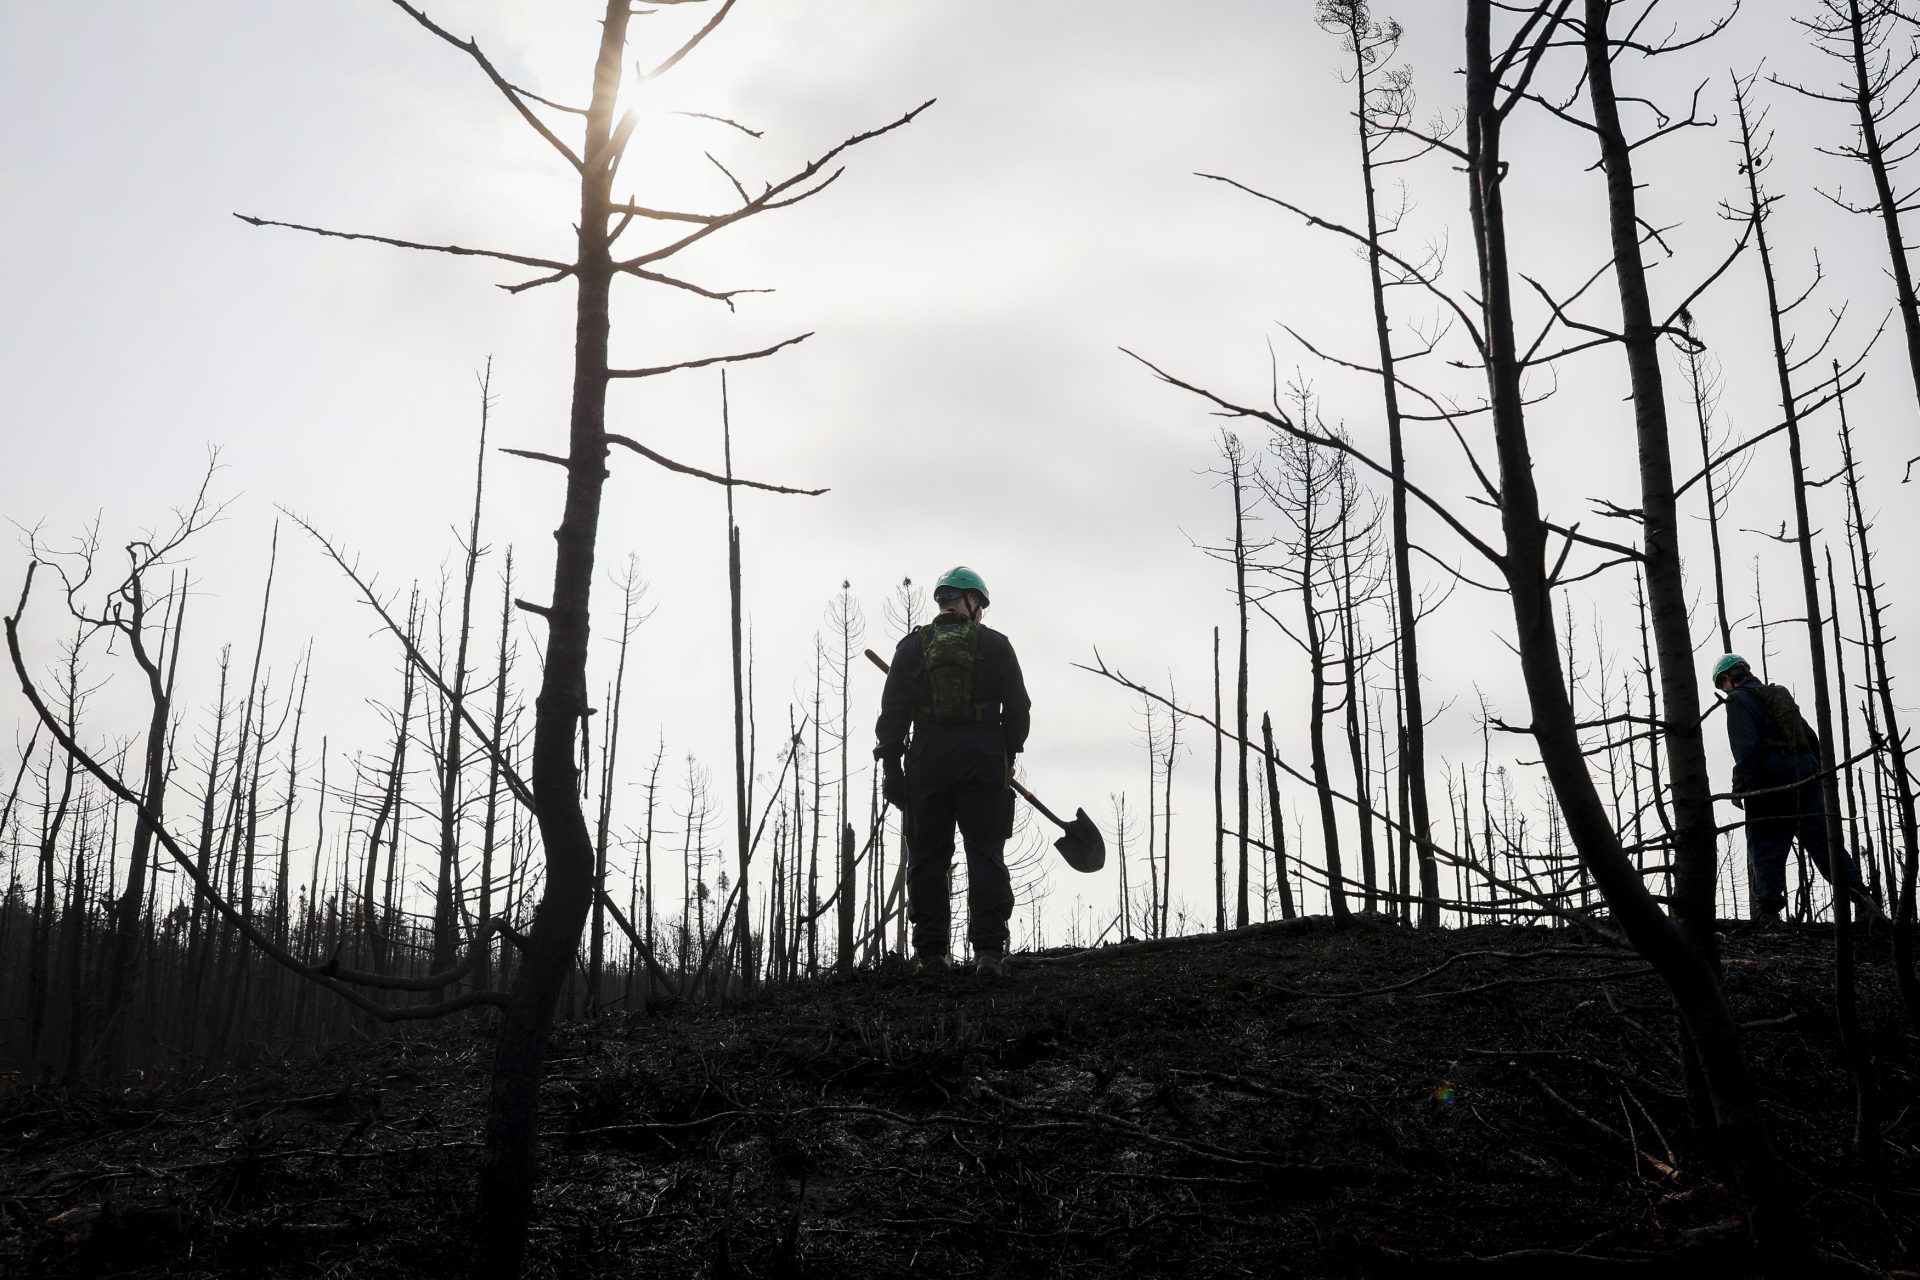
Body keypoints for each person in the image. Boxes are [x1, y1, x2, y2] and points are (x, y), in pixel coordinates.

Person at [874, 566, 1031, 977]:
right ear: (973, 602)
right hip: (982, 759)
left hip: (927, 760)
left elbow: (891, 717)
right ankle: (989, 954)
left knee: (926, 857)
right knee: (984, 852)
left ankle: (931, 956)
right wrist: (1006, 754)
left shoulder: (910, 649)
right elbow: (1019, 710)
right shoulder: (996, 646)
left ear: (943, 601)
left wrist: (892, 768)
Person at [1711, 653, 1872, 925]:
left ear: (1728, 678)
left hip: (1770, 780)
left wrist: (1740, 785)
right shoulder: (1777, 696)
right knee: (1824, 842)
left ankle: (1770, 915)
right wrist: (1813, 775)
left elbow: (1747, 749)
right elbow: (1810, 738)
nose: (1723, 689)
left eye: (1721, 684)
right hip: (1806, 773)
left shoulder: (1738, 701)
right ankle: (1867, 904)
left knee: (1766, 843)